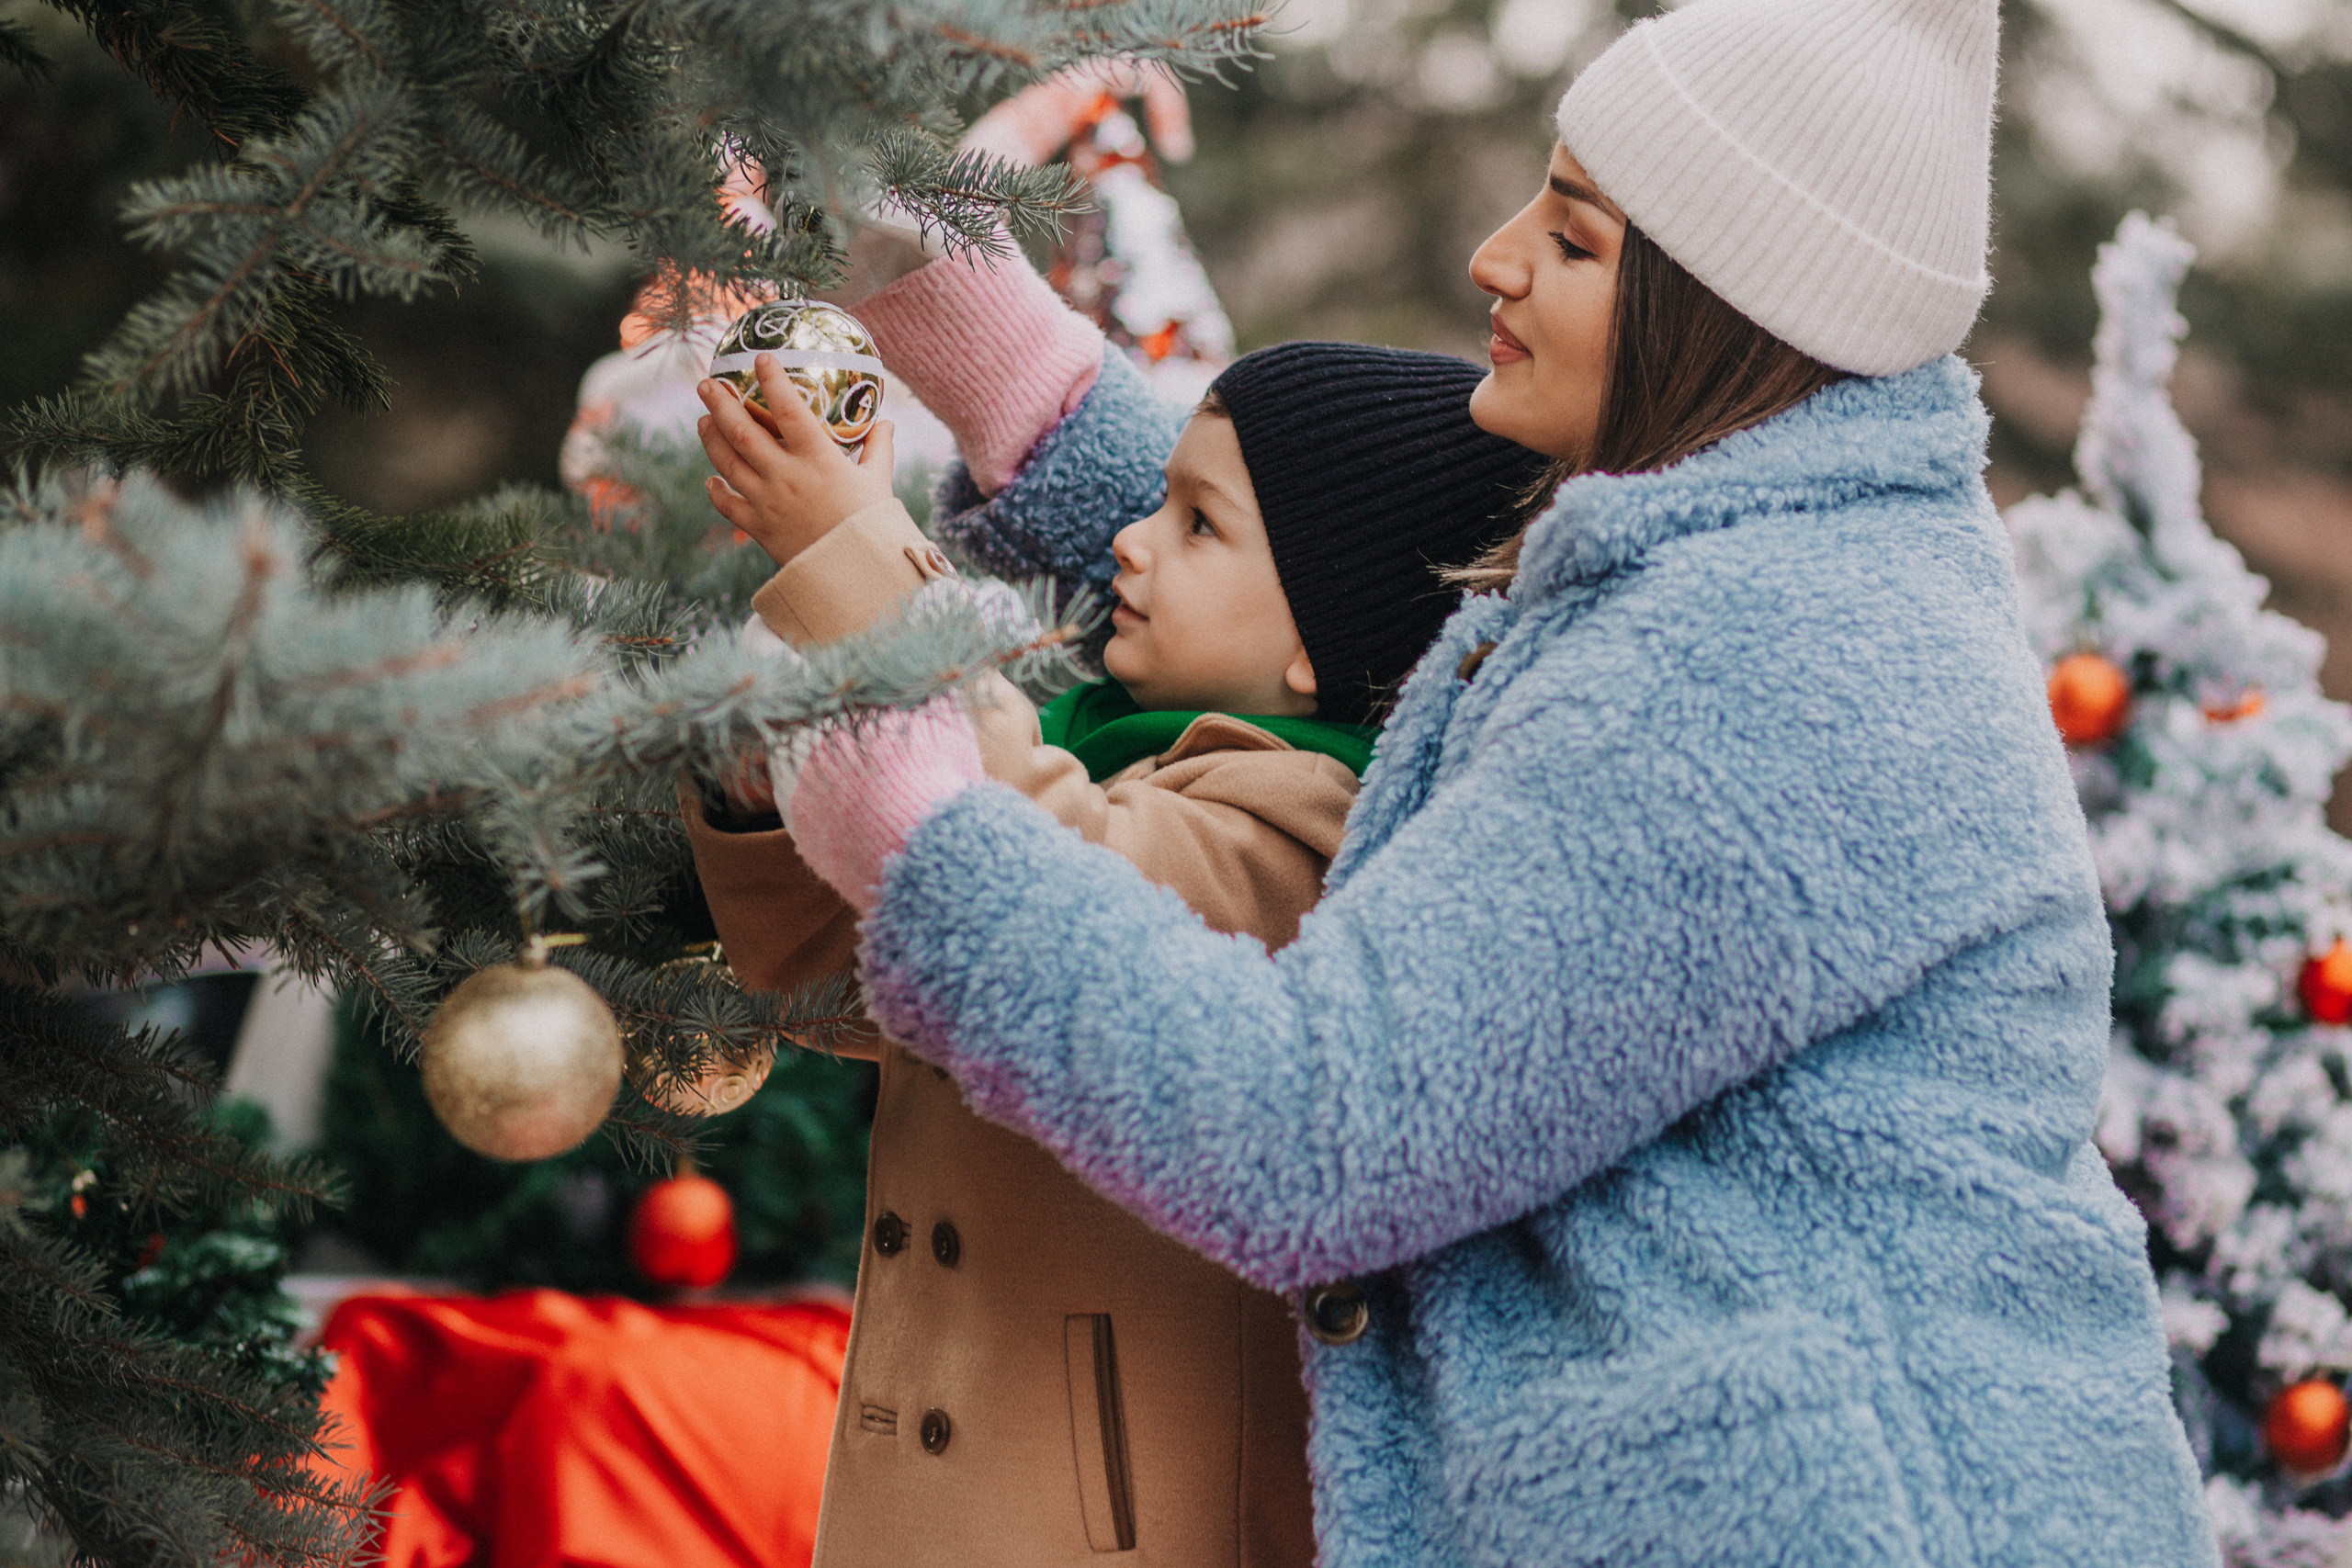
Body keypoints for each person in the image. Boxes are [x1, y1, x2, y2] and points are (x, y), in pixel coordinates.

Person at [745, 0, 2227, 1561]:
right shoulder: (1748, 543)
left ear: (1723, 307)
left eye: (1575, 240)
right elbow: (1387, 588)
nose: (1497, 258)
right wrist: (1012, 369)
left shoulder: (1751, 666)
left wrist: (931, 839)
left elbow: (1316, 1136)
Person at [687, 338, 1547, 1565]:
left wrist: (858, 559)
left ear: (1323, 634)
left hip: (1116, 1525)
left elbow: (1043, 868)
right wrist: (759, 803)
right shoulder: (1113, 749)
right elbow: (867, 973)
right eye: (1156, 503)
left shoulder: (1308, 838)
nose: (1133, 543)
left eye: (1200, 525)